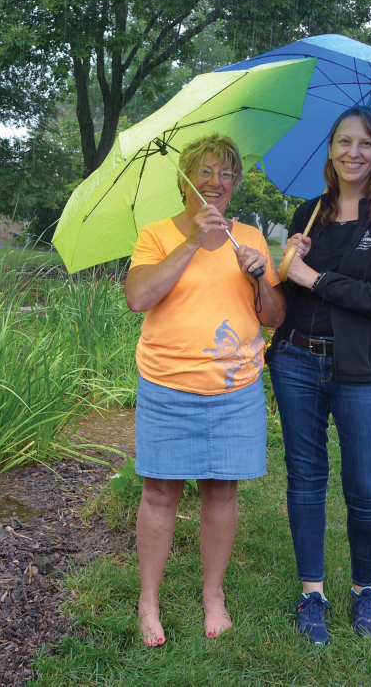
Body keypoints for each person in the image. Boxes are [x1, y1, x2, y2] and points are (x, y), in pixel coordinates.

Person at [268, 105, 371, 645]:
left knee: (367, 489)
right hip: (297, 361)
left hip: (366, 370)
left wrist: (315, 277)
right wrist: (282, 265)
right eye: (343, 141)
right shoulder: (308, 214)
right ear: (329, 148)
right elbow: (285, 297)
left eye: (366, 144)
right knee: (305, 479)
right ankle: (313, 593)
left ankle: (364, 591)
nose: (353, 152)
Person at [125, 133, 285, 646]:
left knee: (222, 490)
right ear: (185, 181)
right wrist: (193, 241)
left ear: (234, 185)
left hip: (235, 388)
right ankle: (148, 602)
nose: (216, 183)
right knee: (159, 493)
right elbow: (139, 296)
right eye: (205, 173)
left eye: (226, 174)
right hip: (167, 386)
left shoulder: (252, 240)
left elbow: (274, 317)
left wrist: (261, 278)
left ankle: (212, 596)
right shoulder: (156, 235)